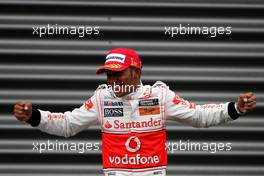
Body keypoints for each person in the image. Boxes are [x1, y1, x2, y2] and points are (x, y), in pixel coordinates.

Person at [13, 48, 256, 176]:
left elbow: (199, 115)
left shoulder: (159, 96)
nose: (112, 80)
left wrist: (234, 108)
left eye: (118, 73)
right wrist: (34, 116)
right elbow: (67, 124)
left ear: (136, 73)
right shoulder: (101, 98)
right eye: (109, 74)